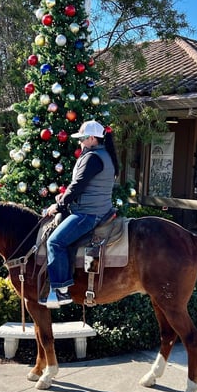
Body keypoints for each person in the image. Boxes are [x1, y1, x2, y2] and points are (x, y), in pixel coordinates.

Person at [40, 120, 119, 308]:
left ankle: (61, 291)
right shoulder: (104, 155)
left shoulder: (92, 157)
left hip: (88, 213)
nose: (80, 142)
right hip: (98, 209)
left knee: (55, 242)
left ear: (92, 138)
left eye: (82, 138)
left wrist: (58, 205)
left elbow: (77, 186)